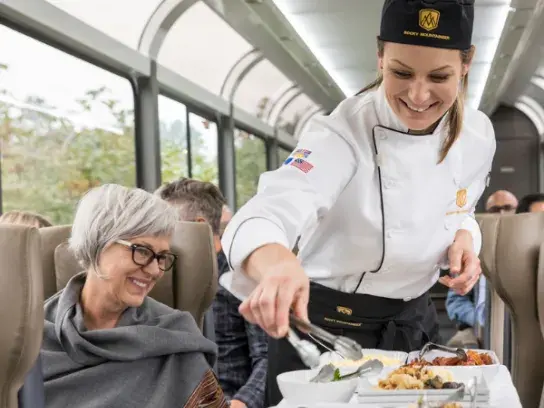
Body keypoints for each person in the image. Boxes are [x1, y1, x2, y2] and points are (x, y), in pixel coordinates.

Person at [221, 0, 496, 405]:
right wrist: (276, 262)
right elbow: (269, 209)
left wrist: (464, 238)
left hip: (414, 324)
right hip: (328, 332)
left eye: (440, 76)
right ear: (380, 55)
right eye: (401, 72)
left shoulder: (478, 135)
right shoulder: (340, 132)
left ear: (466, 64)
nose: (418, 96)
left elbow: (462, 208)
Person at [40, 184, 227, 408]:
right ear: (98, 243)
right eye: (142, 251)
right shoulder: (31, 337)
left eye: (162, 257)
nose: (155, 270)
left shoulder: (176, 337)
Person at [157, 178, 268, 408]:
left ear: (200, 227)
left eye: (165, 225)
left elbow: (267, 359)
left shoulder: (240, 280)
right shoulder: (159, 277)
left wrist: (239, 404)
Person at [446, 189, 517, 348]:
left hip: (516, 326)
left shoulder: (525, 248)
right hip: (476, 326)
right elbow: (455, 300)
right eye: (494, 209)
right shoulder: (472, 245)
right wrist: (479, 320)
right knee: (458, 347)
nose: (501, 213)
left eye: (507, 207)